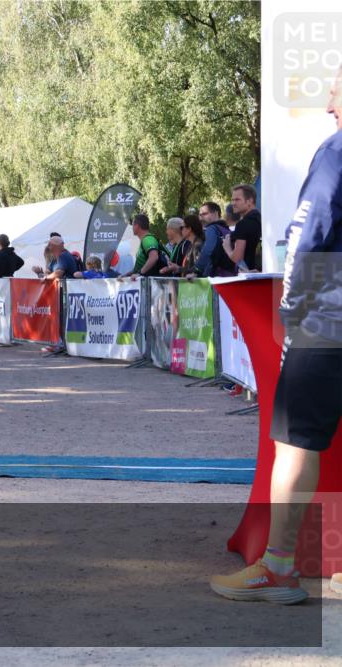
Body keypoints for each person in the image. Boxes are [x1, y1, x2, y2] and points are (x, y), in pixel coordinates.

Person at [210, 68, 342, 605]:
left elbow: (310, 233)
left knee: (293, 442)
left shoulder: (335, 153)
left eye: (336, 89)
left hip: (328, 315)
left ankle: (279, 569)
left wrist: (290, 308)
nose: (330, 101)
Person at [188, 202, 237, 278]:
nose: (201, 218)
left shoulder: (212, 229)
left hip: (216, 277)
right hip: (229, 276)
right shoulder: (225, 229)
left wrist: (197, 269)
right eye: (200, 215)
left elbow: (208, 249)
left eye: (204, 214)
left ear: (215, 213)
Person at [225, 184, 262, 271]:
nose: (233, 203)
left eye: (237, 200)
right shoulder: (261, 220)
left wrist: (227, 248)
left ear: (249, 201)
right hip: (265, 274)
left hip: (249, 277)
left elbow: (238, 259)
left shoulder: (243, 224)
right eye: (232, 200)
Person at [123, 214, 166, 278]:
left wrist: (140, 274)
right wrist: (126, 275)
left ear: (137, 226)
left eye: (133, 225)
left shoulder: (148, 239)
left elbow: (154, 257)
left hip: (154, 284)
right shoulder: (144, 240)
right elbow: (140, 267)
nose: (132, 227)